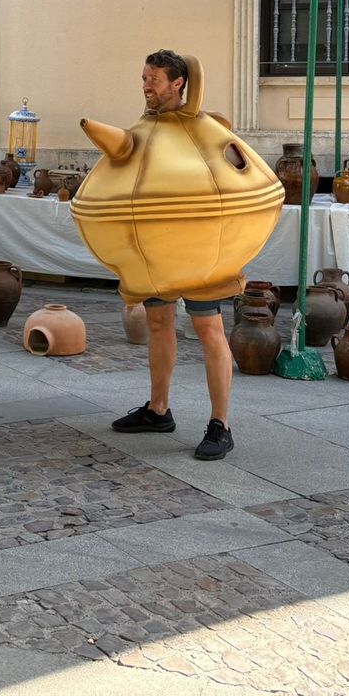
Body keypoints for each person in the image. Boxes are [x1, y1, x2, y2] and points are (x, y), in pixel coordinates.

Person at [110, 49, 236, 461]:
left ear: (177, 84)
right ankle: (158, 410)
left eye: (153, 79)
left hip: (200, 250)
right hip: (157, 251)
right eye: (144, 78)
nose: (146, 85)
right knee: (159, 322)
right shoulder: (145, 128)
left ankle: (221, 425)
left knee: (209, 330)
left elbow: (233, 173)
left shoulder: (205, 125)